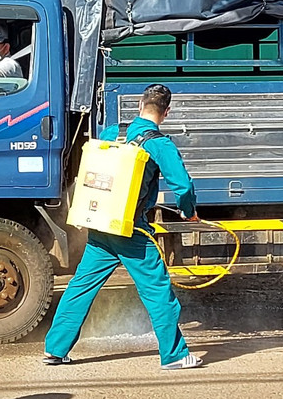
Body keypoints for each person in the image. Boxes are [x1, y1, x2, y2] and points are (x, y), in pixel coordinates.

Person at [43, 83, 203, 370]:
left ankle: (55, 349)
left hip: (101, 225)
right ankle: (175, 355)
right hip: (132, 231)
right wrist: (188, 212)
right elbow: (183, 185)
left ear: (140, 105)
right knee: (158, 292)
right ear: (166, 112)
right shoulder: (159, 143)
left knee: (80, 286)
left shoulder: (113, 132)